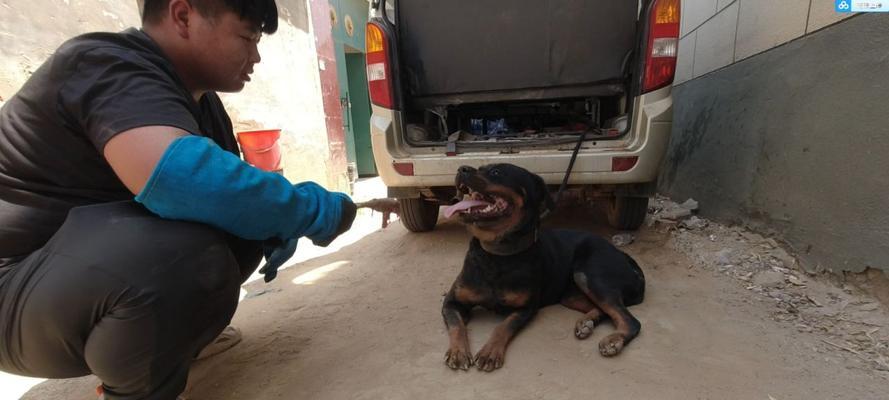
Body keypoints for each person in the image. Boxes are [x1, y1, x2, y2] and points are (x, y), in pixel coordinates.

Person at [0, 0, 358, 398]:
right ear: (183, 16)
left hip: (68, 274)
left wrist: (273, 222)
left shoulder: (200, 102)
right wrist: (309, 210)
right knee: (181, 256)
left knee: (239, 229)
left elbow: (232, 195)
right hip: (14, 290)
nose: (255, 56)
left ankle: (173, 345)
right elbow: (181, 179)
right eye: (247, 37)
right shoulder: (105, 63)